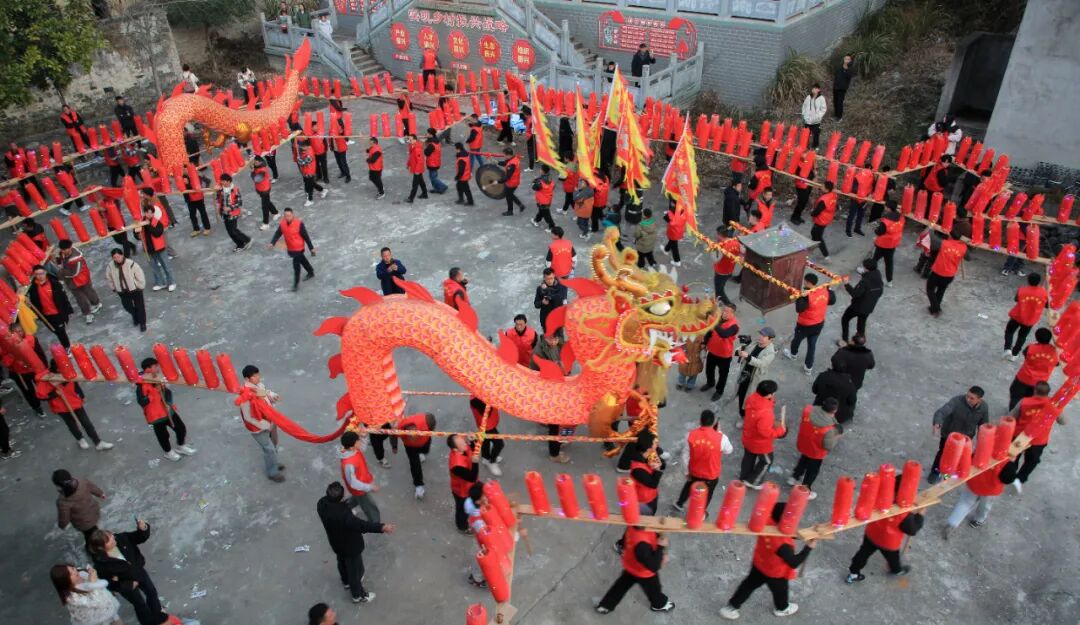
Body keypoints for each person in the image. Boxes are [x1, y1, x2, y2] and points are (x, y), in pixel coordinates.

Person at [719, 503, 814, 619]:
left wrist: (802, 535)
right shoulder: (781, 544)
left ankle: (731, 607)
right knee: (781, 591)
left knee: (748, 585)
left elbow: (787, 531)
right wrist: (808, 548)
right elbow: (794, 562)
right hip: (775, 572)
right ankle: (782, 608)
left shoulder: (766, 520)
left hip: (760, 562)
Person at [317, 481, 394, 604]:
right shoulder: (345, 516)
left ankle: (345, 582)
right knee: (355, 572)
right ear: (341, 498)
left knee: (341, 562)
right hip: (351, 547)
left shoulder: (321, 504)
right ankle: (358, 595)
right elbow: (362, 525)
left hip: (336, 543)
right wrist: (382, 527)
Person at [88, 523, 170, 625]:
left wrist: (143, 528)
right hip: (126, 584)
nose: (113, 539)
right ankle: (148, 622)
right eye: (109, 540)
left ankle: (158, 615)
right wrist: (127, 585)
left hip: (138, 571)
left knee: (151, 592)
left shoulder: (122, 538)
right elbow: (107, 583)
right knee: (139, 603)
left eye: (111, 536)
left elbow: (139, 537)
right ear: (101, 547)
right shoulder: (101, 564)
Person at [846, 474, 923, 583]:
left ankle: (853, 573)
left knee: (863, 553)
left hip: (872, 533)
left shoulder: (880, 496)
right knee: (893, 559)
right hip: (889, 543)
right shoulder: (903, 513)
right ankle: (897, 570)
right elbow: (912, 530)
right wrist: (919, 517)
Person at [595, 525, 674, 614]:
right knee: (654, 589)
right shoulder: (642, 545)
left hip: (631, 564)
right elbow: (654, 566)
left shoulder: (632, 527)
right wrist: (660, 547)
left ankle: (605, 605)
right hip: (643, 571)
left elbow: (625, 539)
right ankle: (659, 604)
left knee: (620, 586)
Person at [942, 456, 1018, 537]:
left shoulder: (982, 451)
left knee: (964, 503)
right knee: (984, 507)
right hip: (990, 490)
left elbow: (966, 463)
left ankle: (952, 522)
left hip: (974, 483)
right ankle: (979, 520)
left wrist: (947, 475)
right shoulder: (1007, 462)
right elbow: (1008, 479)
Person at [136, 358, 195, 461]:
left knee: (181, 428)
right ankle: (168, 452)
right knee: (163, 435)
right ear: (148, 369)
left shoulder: (157, 378)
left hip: (167, 410)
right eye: (155, 366)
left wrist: (169, 403)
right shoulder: (141, 385)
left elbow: (167, 392)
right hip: (155, 415)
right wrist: (154, 393)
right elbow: (141, 401)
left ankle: (181, 446)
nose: (158, 368)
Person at [928, 386, 989, 483]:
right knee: (942, 454)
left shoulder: (984, 408)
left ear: (979, 400)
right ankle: (935, 472)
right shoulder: (957, 401)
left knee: (956, 459)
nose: (968, 399)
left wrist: (982, 440)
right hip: (949, 436)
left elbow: (983, 425)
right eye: (967, 396)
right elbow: (942, 412)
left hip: (965, 439)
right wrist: (937, 422)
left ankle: (947, 476)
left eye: (972, 398)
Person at [673, 410, 732, 511]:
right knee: (708, 493)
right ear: (714, 423)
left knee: (689, 486)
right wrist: (719, 432)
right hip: (711, 474)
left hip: (694, 471)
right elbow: (729, 450)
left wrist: (686, 472)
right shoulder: (721, 438)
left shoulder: (690, 435)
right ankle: (700, 512)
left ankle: (680, 503)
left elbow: (685, 456)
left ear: (700, 421)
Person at [1010, 381, 1064, 491]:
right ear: (1048, 393)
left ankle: (1010, 474)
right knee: (1032, 461)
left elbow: (1012, 417)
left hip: (1020, 435)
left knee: (1013, 456)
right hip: (1039, 440)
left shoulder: (1024, 402)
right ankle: (1020, 479)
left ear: (1034, 390)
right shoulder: (1053, 405)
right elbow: (1063, 421)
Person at [236, 364, 285, 482]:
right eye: (254, 376)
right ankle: (272, 472)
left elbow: (264, 394)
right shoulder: (244, 395)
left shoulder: (257, 387)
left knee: (274, 442)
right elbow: (248, 417)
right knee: (269, 449)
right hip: (259, 428)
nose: (258, 377)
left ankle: (274, 462)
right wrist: (262, 424)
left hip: (270, 420)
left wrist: (272, 396)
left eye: (257, 374)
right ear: (247, 379)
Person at [788, 398, 841, 497]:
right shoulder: (830, 429)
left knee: (803, 460)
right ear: (834, 411)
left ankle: (794, 477)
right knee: (812, 471)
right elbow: (828, 446)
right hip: (816, 452)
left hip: (804, 443)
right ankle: (805, 489)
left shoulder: (808, 410)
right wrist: (837, 436)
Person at [783, 275, 836, 375]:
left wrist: (800, 297)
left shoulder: (807, 296)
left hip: (804, 325)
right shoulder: (824, 291)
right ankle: (808, 367)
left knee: (796, 340)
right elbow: (832, 301)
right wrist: (830, 290)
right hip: (818, 324)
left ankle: (793, 355)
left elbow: (799, 309)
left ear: (808, 282)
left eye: (805, 281)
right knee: (812, 346)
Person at [739, 380, 786, 488]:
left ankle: (743, 477)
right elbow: (765, 432)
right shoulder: (766, 413)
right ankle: (753, 481)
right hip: (760, 444)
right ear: (769, 395)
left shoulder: (751, 398)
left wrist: (770, 401)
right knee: (767, 461)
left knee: (748, 457)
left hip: (748, 436)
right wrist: (779, 431)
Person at [50, 563, 122, 625]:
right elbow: (97, 602)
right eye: (70, 574)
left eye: (72, 568)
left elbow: (101, 587)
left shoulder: (81, 573)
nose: (75, 572)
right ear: (65, 581)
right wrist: (93, 583)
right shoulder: (72, 598)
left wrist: (92, 574)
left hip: (109, 611)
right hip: (97, 621)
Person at [1008, 327, 1058, 409]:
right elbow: (1057, 364)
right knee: (1030, 400)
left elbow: (1025, 355)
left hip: (1023, 377)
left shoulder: (1030, 347)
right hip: (1039, 384)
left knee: (1015, 396)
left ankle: (1012, 413)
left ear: (1037, 338)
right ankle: (1023, 413)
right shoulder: (1055, 352)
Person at [2, 324, 46, 417]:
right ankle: (36, 407)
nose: (19, 334)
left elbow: (40, 353)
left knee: (43, 385)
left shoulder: (31, 339)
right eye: (15, 332)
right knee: (28, 391)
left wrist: (45, 367)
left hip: (34, 369)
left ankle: (48, 398)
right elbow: (6, 362)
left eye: (20, 331)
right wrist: (13, 354)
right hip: (20, 374)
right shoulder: (6, 346)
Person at [54, 240, 102, 324]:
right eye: (62, 249)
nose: (63, 251)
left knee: (89, 292)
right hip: (71, 282)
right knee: (80, 299)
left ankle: (96, 303)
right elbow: (62, 261)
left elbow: (74, 273)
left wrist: (61, 272)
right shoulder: (63, 253)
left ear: (70, 247)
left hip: (82, 279)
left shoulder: (76, 258)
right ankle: (87, 313)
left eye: (65, 249)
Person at [268, 208, 316, 291]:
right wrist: (272, 242)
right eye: (285, 216)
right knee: (302, 259)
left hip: (298, 247)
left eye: (289, 215)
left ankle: (296, 284)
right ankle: (310, 271)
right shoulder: (282, 223)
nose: (287, 217)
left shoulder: (299, 224)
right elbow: (278, 233)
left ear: (292, 215)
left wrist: (311, 248)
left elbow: (306, 237)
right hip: (291, 247)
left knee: (296, 265)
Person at [27, 265, 75, 349]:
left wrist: (69, 310)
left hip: (57, 312)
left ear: (45, 272)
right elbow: (34, 302)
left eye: (42, 273)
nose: (40, 276)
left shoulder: (54, 283)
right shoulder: (33, 288)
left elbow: (63, 297)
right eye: (37, 274)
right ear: (34, 275)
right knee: (55, 331)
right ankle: (66, 345)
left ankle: (67, 346)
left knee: (61, 332)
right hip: (46, 315)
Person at [1004, 273, 1048, 360]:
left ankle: (1007, 348)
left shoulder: (1022, 290)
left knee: (1009, 331)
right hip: (1030, 319)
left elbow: (1016, 299)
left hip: (1018, 316)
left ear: (1028, 280)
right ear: (1039, 282)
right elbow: (1047, 305)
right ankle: (1015, 354)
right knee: (1022, 336)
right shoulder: (1044, 293)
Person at [339, 430, 381, 522]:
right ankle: (375, 524)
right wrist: (370, 487)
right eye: (357, 441)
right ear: (351, 447)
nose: (359, 441)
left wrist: (364, 437)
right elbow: (353, 483)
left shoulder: (353, 450)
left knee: (357, 499)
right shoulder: (349, 464)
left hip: (363, 483)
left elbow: (362, 448)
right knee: (371, 508)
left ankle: (344, 508)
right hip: (360, 489)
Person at [700, 304, 739, 401]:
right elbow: (709, 332)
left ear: (733, 314)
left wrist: (714, 322)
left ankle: (719, 391)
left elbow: (724, 334)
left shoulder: (734, 326)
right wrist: (705, 342)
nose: (724, 313)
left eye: (727, 312)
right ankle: (710, 383)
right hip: (712, 351)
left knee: (723, 375)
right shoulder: (718, 319)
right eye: (724, 311)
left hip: (724, 356)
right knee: (709, 370)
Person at [839, 258, 883, 344]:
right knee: (861, 324)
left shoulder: (865, 281)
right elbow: (880, 292)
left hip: (857, 306)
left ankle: (844, 340)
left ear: (866, 268)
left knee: (845, 319)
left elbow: (855, 293)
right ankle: (860, 341)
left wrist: (846, 284)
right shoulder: (878, 276)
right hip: (869, 307)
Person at [53, 469, 106, 541]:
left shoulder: (62, 501)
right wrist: (101, 494)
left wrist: (62, 525)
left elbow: (64, 517)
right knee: (94, 527)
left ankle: (98, 543)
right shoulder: (82, 481)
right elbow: (93, 487)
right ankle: (100, 536)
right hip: (93, 510)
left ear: (58, 485)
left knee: (90, 536)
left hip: (83, 523)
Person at [736, 328, 777, 418]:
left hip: (754, 378)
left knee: (749, 399)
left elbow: (762, 363)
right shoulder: (755, 343)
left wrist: (748, 357)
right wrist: (740, 350)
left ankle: (746, 417)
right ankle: (742, 415)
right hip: (745, 374)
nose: (760, 337)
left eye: (764, 336)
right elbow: (745, 350)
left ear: (770, 339)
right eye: (760, 334)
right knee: (741, 394)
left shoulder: (771, 352)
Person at [926, 227, 967, 316]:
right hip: (950, 275)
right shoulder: (963, 247)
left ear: (950, 236)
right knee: (941, 290)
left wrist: (931, 227)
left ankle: (936, 308)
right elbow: (969, 258)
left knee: (930, 289)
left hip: (938, 272)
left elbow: (932, 237)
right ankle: (934, 308)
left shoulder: (943, 243)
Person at [104, 249, 147, 332]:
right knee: (128, 307)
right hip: (122, 291)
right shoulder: (110, 266)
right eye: (114, 257)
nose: (117, 259)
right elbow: (109, 278)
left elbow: (140, 275)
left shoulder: (131, 264)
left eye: (118, 256)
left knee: (140, 307)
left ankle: (142, 323)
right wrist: (113, 287)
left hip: (135, 289)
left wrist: (140, 286)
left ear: (122, 255)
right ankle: (135, 315)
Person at [396, 412, 436, 499]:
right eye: (410, 436)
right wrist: (394, 447)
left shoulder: (427, 424)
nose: (412, 439)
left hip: (424, 441)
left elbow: (432, 423)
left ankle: (421, 452)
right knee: (415, 464)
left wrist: (430, 431)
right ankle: (419, 485)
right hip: (409, 447)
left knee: (425, 450)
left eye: (414, 436)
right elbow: (393, 435)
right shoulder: (399, 429)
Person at [448, 433, 479, 532]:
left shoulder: (462, 448)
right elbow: (472, 477)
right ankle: (462, 527)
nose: (465, 443)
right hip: (462, 491)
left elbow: (473, 449)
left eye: (463, 440)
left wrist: (473, 441)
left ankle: (474, 512)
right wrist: (475, 463)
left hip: (470, 486)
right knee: (462, 509)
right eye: (462, 443)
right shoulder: (456, 466)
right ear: (455, 449)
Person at [831, 334, 874, 405]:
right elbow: (871, 365)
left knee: (836, 397)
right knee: (850, 398)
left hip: (841, 380)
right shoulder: (868, 354)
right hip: (856, 382)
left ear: (853, 342)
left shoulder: (843, 352)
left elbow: (834, 361)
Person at [810, 361, 855, 427]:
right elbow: (852, 401)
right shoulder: (849, 384)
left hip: (820, 406)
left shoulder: (823, 376)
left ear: (832, 366)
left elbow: (814, 390)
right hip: (838, 415)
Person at [215, 173, 252, 253]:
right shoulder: (220, 190)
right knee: (229, 231)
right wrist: (218, 211)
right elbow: (218, 200)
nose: (222, 182)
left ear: (229, 181)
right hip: (224, 214)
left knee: (233, 230)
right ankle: (240, 244)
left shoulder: (235, 190)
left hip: (233, 214)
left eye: (224, 181)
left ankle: (247, 240)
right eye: (222, 181)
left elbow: (239, 203)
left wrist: (230, 208)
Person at [469, 396, 504, 476]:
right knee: (499, 444)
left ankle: (486, 458)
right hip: (487, 425)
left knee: (485, 440)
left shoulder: (478, 395)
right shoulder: (476, 400)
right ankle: (492, 461)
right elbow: (486, 411)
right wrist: (493, 398)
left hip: (488, 424)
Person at [871, 204, 904, 285]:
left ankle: (867, 272)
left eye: (886, 207)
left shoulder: (886, 220)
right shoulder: (901, 218)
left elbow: (879, 232)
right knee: (889, 263)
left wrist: (875, 229)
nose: (885, 208)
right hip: (893, 244)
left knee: (874, 259)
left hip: (883, 244)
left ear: (889, 208)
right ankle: (889, 281)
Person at [809, 181, 838, 259]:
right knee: (814, 233)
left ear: (827, 189)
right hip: (827, 218)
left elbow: (817, 212)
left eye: (822, 186)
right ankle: (813, 246)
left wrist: (812, 213)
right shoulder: (833, 195)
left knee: (818, 236)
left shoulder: (823, 200)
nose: (821, 187)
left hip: (821, 220)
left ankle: (826, 255)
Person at [712, 228, 741, 306]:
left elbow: (716, 259)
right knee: (721, 286)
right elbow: (741, 253)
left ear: (719, 235)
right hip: (730, 270)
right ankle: (718, 301)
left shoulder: (721, 246)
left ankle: (729, 305)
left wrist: (714, 249)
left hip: (720, 272)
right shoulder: (736, 242)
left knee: (719, 290)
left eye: (717, 234)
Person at [534, 268, 568, 333]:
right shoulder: (540, 289)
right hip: (546, 320)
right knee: (548, 337)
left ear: (554, 276)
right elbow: (536, 304)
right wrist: (542, 302)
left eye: (551, 278)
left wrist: (547, 290)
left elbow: (560, 297)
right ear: (544, 278)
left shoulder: (561, 286)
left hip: (558, 320)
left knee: (559, 338)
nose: (549, 281)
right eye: (547, 279)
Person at [251, 156, 279, 229]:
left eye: (256, 162)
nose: (254, 163)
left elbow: (257, 179)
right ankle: (275, 212)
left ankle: (266, 223)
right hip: (261, 189)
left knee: (264, 207)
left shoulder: (262, 170)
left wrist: (252, 172)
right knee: (267, 202)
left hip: (264, 190)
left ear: (260, 162)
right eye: (254, 161)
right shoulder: (257, 167)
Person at [298, 140, 328, 206]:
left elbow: (303, 162)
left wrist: (299, 159)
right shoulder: (306, 150)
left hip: (309, 172)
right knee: (311, 183)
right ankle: (322, 190)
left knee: (309, 186)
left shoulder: (310, 154)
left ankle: (310, 199)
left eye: (302, 146)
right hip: (306, 171)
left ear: (307, 146)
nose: (301, 147)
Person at [181, 171, 211, 236]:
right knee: (192, 215)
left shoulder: (196, 177)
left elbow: (208, 181)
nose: (184, 181)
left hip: (199, 199)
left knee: (203, 214)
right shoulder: (181, 180)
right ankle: (196, 229)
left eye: (185, 180)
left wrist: (205, 189)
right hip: (190, 201)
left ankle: (207, 228)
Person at [403, 135, 429, 203]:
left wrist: (417, 170)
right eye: (409, 139)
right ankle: (425, 194)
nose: (409, 141)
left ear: (415, 140)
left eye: (410, 140)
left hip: (417, 169)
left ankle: (411, 198)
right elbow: (411, 157)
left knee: (415, 184)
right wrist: (408, 164)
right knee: (421, 181)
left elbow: (420, 161)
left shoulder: (417, 149)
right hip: (416, 168)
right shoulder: (412, 146)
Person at [499, 147, 525, 215]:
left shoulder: (512, 164)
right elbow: (506, 163)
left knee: (508, 195)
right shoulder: (514, 158)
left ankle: (510, 211)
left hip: (511, 183)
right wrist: (496, 162)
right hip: (515, 181)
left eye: (505, 155)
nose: (504, 156)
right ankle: (521, 205)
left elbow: (508, 177)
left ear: (508, 155)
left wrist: (498, 181)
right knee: (510, 194)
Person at [801, 84, 827, 149]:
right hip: (807, 120)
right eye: (813, 88)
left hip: (816, 121)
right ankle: (805, 146)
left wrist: (818, 116)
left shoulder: (821, 98)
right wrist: (804, 114)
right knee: (806, 133)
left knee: (816, 134)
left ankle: (815, 146)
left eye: (815, 88)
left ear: (819, 90)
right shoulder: (808, 97)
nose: (813, 90)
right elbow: (804, 106)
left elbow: (823, 109)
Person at [531, 164, 557, 230]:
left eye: (541, 169)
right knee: (541, 211)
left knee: (546, 214)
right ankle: (536, 220)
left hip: (542, 200)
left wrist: (534, 182)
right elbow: (553, 186)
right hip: (548, 198)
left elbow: (534, 187)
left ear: (542, 171)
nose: (540, 170)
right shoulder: (550, 177)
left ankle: (552, 226)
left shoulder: (540, 182)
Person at [423, 128, 448, 194]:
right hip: (436, 161)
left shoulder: (431, 145)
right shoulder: (436, 140)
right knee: (434, 176)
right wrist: (427, 140)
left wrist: (424, 146)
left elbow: (426, 153)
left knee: (433, 178)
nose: (426, 134)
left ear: (431, 134)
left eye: (427, 133)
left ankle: (442, 186)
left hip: (432, 163)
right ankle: (437, 189)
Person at [832, 55, 853, 122]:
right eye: (845, 59)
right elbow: (836, 75)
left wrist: (846, 69)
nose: (846, 60)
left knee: (839, 102)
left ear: (850, 60)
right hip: (836, 87)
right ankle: (836, 115)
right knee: (835, 101)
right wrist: (834, 84)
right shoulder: (840, 67)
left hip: (842, 88)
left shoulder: (850, 68)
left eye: (848, 59)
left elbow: (849, 76)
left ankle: (839, 117)